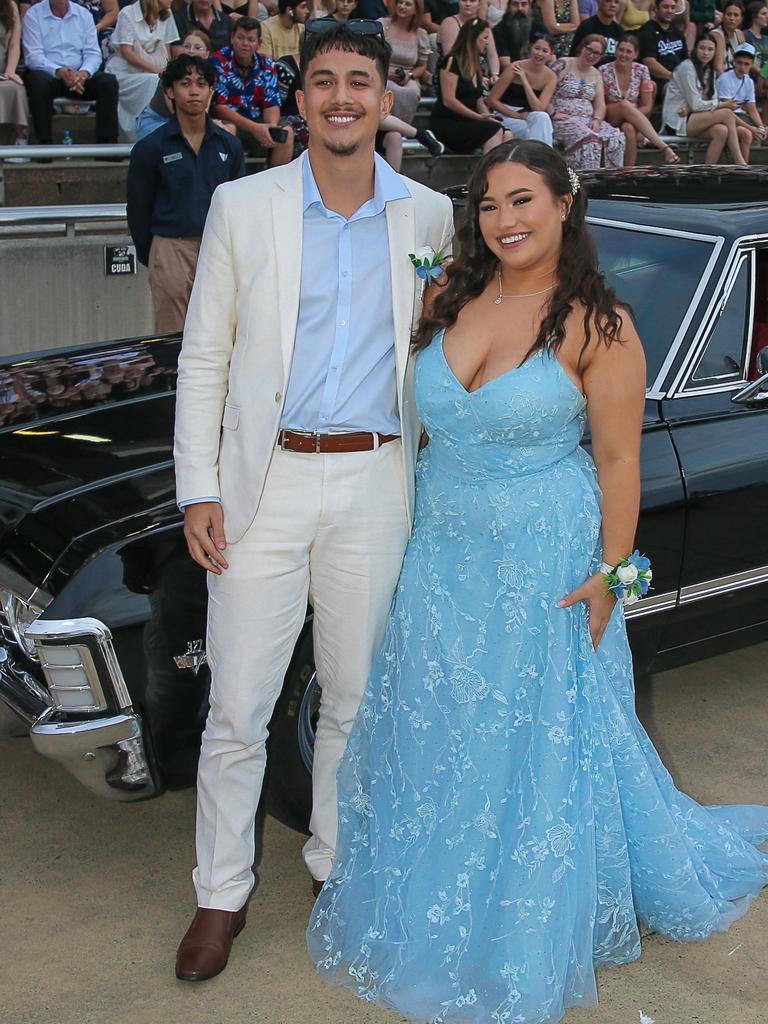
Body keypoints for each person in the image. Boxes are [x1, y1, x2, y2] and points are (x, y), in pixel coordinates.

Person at [307, 136, 768, 1024]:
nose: (505, 219)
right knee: (444, 719)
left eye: (524, 200)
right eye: (489, 204)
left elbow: (622, 462)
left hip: (544, 557)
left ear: (564, 205)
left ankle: (529, 904)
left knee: (536, 735)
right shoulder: (447, 298)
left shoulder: (599, 324)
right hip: (442, 551)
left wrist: (610, 578)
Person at [172, 18, 453, 984]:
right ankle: (220, 893)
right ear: (300, 99)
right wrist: (197, 488)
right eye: (324, 80)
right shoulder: (243, 207)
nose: (342, 97)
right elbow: (202, 357)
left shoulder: (428, 216)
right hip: (264, 483)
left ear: (386, 99)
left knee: (355, 695)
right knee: (239, 705)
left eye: (360, 81)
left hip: (376, 478)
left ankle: (336, 867)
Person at [127, 54, 245, 333]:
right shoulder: (150, 148)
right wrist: (156, 255)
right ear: (170, 91)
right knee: (172, 337)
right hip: (170, 246)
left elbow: (241, 207)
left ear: (211, 91)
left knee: (220, 333)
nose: (194, 90)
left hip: (218, 249)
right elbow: (138, 209)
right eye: (185, 83)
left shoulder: (229, 147)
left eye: (202, 84)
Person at [22, 0, 119, 145]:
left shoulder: (84, 15)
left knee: (108, 82)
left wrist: (83, 73)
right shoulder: (33, 15)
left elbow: (92, 53)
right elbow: (33, 56)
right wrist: (61, 72)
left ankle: (107, 143)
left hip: (79, 75)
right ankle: (44, 143)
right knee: (38, 81)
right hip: (50, 74)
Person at [211, 16, 294, 164]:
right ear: (232, 38)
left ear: (259, 43)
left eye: (250, 39)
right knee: (226, 129)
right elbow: (218, 108)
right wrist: (254, 128)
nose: (245, 44)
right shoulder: (218, 61)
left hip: (258, 121)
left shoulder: (267, 64)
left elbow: (272, 103)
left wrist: (271, 128)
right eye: (240, 38)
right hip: (230, 122)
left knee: (286, 133)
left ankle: (275, 183)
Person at [663, 32, 751, 157]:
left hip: (695, 116)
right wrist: (722, 105)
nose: (706, 53)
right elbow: (697, 104)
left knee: (721, 131)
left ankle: (709, 173)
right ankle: (740, 162)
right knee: (726, 113)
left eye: (710, 49)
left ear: (715, 52)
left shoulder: (710, 70)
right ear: (695, 49)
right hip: (678, 121)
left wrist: (714, 105)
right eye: (702, 48)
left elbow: (710, 99)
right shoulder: (687, 67)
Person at [429, 17, 509, 150]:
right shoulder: (452, 61)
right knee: (494, 131)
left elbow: (478, 100)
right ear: (473, 38)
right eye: (484, 38)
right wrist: (478, 117)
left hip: (470, 120)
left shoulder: (475, 64)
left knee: (507, 133)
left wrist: (488, 117)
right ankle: (487, 170)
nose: (487, 42)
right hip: (450, 122)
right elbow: (449, 100)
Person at [105, 0, 179, 140]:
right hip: (124, 73)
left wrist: (167, 72)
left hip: (153, 72)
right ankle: (145, 132)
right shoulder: (127, 13)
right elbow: (127, 52)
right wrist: (159, 72)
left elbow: (167, 51)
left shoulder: (168, 15)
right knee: (155, 80)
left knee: (166, 82)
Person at [601, 33, 680, 161]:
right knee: (624, 105)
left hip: (633, 117)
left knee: (629, 128)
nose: (624, 54)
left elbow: (647, 106)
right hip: (610, 114)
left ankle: (628, 174)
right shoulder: (604, 70)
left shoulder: (642, 70)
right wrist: (629, 112)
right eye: (621, 50)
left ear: (635, 54)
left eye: (628, 51)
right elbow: (601, 102)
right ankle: (664, 147)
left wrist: (631, 116)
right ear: (615, 51)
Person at [551, 34, 625, 166]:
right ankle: (583, 179)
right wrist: (553, 113)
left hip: (588, 119)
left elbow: (600, 105)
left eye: (597, 53)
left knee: (615, 137)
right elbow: (544, 93)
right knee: (589, 139)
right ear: (582, 47)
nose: (591, 55)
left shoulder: (596, 74)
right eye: (589, 50)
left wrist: (597, 120)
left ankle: (608, 180)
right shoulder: (563, 64)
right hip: (563, 118)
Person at [487, 31, 556, 140]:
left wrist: (524, 81)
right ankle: (540, 155)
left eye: (545, 51)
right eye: (537, 48)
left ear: (551, 54)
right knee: (532, 131)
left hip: (528, 115)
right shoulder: (515, 67)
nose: (539, 54)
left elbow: (538, 108)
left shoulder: (551, 77)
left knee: (543, 117)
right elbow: (491, 100)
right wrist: (516, 116)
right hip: (506, 114)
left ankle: (539, 154)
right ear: (530, 48)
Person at [380, 0, 431, 121]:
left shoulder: (420, 34)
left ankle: (403, 129)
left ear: (415, 10)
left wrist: (409, 76)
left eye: (407, 4)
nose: (402, 6)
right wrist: (385, 74)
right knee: (391, 88)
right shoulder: (383, 25)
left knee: (411, 91)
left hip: (407, 76)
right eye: (400, 3)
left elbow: (422, 66)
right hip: (382, 72)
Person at [717, 38, 766, 139]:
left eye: (746, 64)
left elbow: (752, 109)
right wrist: (752, 128)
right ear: (734, 62)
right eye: (739, 62)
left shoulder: (749, 81)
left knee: (763, 130)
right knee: (746, 134)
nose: (742, 67)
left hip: (740, 117)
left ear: (752, 64)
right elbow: (727, 109)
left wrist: (761, 127)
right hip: (725, 116)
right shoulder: (725, 78)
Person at [0, 0, 30, 159]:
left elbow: (14, 44)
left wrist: (10, 70)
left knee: (15, 86)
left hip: (3, 71)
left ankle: (20, 140)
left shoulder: (9, 5)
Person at [439, 0, 500, 77]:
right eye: (464, 0)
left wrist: (495, 74)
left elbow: (492, 54)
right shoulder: (450, 22)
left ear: (479, 4)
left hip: (481, 74)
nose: (467, 4)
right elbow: (450, 57)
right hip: (456, 74)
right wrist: (477, 78)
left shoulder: (483, 25)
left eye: (472, 1)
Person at [637, 0, 688, 93]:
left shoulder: (678, 33)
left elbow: (686, 60)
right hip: (658, 80)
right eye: (665, 7)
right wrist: (673, 76)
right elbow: (649, 63)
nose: (669, 11)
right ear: (655, 9)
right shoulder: (647, 31)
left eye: (673, 7)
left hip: (678, 78)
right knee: (675, 90)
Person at [493, 0, 546, 66]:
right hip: (512, 71)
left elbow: (549, 53)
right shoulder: (499, 30)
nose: (520, 8)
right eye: (515, 4)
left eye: (524, 4)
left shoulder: (538, 27)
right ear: (508, 7)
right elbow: (505, 64)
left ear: (529, 7)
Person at [712, 0, 745, 71]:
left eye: (736, 15)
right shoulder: (717, 35)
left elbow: (744, 61)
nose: (732, 18)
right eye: (729, 14)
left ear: (741, 19)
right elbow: (718, 67)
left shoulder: (740, 34)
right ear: (723, 16)